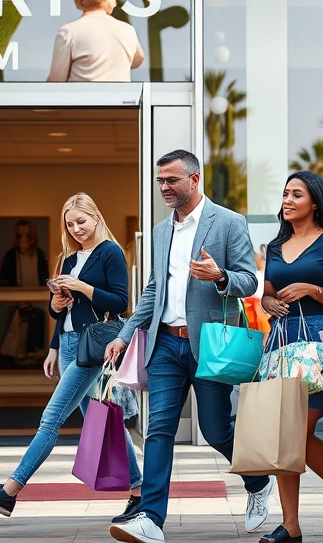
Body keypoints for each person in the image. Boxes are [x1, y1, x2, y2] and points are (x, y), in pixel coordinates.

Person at [104, 150, 269, 543]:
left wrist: (220, 276)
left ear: (194, 180)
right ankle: (151, 518)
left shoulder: (229, 223)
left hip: (210, 345)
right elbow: (153, 289)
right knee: (158, 429)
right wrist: (125, 334)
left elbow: (249, 280)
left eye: (171, 180)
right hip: (164, 345)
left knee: (215, 431)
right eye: (160, 180)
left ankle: (258, 479)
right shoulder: (162, 231)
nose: (164, 187)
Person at [0, 193, 143, 516]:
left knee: (51, 418)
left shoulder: (111, 253)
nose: (76, 229)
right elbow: (60, 310)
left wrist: (82, 287)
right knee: (105, 424)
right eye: (70, 224)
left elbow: (119, 302)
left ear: (96, 217)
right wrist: (54, 330)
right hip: (69, 344)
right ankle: (139, 490)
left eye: (82, 221)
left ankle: (10, 490)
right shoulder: (69, 258)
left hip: (93, 347)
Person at [257, 171, 323, 543]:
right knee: (285, 435)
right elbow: (267, 293)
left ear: (315, 201)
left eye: (296, 194)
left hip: (318, 339)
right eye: (284, 194)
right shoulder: (275, 246)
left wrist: (312, 289)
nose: (287, 200)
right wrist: (269, 302)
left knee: (298, 432)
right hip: (281, 342)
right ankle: (291, 525)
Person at [47, 0, 144, 82]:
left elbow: (55, 82)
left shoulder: (69, 32)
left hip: (84, 99)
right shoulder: (128, 30)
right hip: (121, 99)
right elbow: (138, 59)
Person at [0, 218, 48, 288]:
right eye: (20, 236)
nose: (24, 239)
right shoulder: (10, 256)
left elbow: (45, 280)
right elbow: (4, 281)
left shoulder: (39, 254)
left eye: (27, 236)